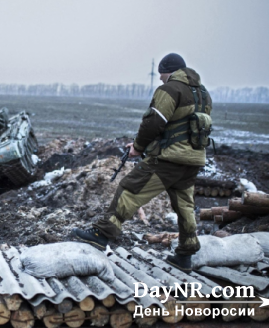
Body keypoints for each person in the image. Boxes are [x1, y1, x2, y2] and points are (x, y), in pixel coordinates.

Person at [71, 53, 212, 273]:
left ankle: (102, 234)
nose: (160, 79)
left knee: (130, 189)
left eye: (161, 73)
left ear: (170, 71)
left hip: (169, 159)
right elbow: (185, 127)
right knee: (184, 204)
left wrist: (138, 146)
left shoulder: (169, 90)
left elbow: (154, 121)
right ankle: (186, 253)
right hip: (193, 160)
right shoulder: (203, 94)